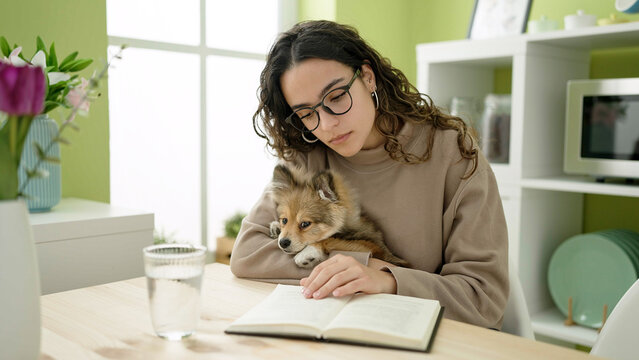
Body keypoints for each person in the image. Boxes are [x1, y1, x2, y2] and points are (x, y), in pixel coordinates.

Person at [230, 20, 509, 329]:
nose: (326, 125)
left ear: (367, 77)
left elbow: (484, 296)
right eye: (307, 114)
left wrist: (386, 279)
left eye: (336, 97)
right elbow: (248, 253)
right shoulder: (307, 156)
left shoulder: (451, 152)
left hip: (439, 337)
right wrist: (358, 266)